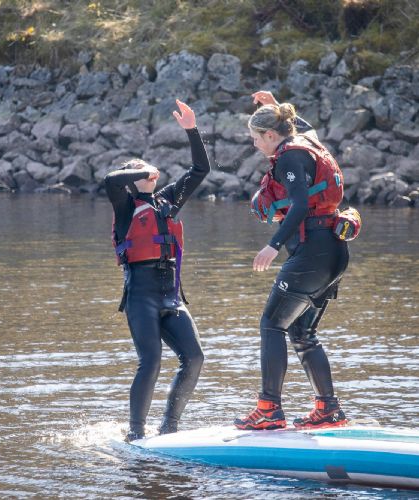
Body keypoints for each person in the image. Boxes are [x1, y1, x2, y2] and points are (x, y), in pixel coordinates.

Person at [234, 90, 350, 431]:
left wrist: (272, 246)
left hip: (314, 252)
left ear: (271, 135)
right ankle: (327, 409)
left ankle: (269, 409)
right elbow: (306, 128)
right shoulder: (307, 143)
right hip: (333, 252)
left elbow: (299, 205)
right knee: (302, 332)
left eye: (256, 138)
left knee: (272, 325)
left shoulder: (289, 157)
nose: (255, 144)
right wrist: (275, 104)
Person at [105, 99, 210, 442]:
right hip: (140, 296)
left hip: (171, 295)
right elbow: (110, 179)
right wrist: (141, 169)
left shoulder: (168, 201)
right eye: (138, 171)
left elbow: (201, 169)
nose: (147, 172)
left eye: (147, 169)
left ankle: (169, 427)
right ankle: (136, 433)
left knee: (194, 358)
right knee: (150, 361)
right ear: (133, 181)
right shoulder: (125, 206)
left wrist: (192, 130)